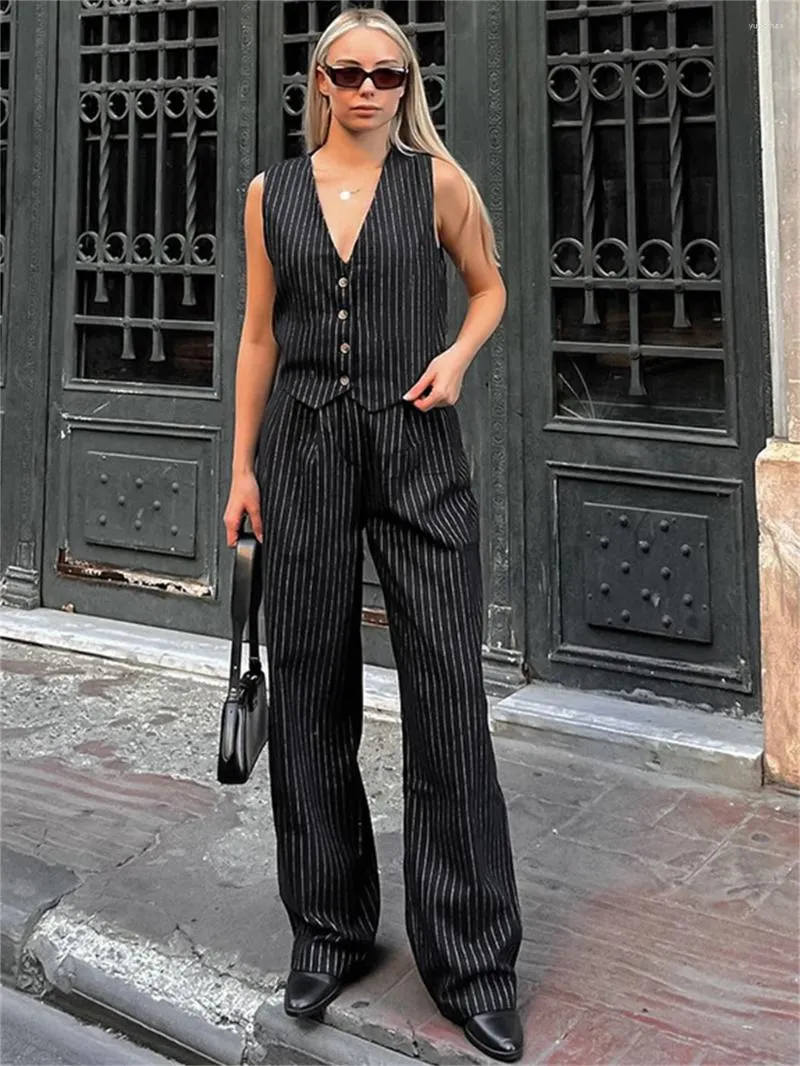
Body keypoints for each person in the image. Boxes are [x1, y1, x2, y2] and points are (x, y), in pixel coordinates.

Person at [223, 8, 523, 1062]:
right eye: (346, 72)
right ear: (319, 80)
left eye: (385, 74)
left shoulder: (437, 184)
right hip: (301, 454)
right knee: (310, 689)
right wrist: (241, 469)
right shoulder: (270, 193)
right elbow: (258, 337)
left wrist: (456, 357)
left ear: (406, 84)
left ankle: (473, 963)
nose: (365, 89)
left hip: (417, 448)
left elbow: (489, 289)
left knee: (447, 695)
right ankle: (329, 930)